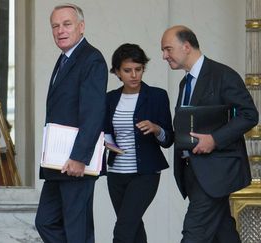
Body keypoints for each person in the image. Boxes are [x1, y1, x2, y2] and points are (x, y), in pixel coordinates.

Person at [161, 25, 258, 243]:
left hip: (216, 171)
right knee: (223, 235)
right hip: (194, 173)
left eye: (168, 49)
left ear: (186, 46)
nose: (164, 56)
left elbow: (249, 114)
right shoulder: (185, 82)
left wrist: (215, 140)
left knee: (194, 233)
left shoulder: (222, 75)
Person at [35, 3, 108, 243]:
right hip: (58, 162)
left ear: (81, 27)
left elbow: (94, 112)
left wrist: (80, 156)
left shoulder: (91, 59)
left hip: (75, 162)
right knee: (45, 221)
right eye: (55, 26)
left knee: (77, 229)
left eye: (67, 24)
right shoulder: (64, 58)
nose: (60, 30)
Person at [104, 43, 173, 243]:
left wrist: (156, 129)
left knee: (123, 231)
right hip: (116, 173)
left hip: (145, 174)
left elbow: (169, 138)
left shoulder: (157, 96)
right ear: (117, 72)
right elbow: (105, 132)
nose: (134, 75)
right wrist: (105, 143)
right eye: (127, 70)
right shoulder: (109, 99)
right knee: (133, 228)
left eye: (138, 69)